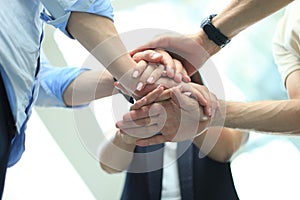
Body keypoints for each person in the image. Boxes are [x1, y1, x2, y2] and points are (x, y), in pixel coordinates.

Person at [99, 72, 248, 200]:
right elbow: (109, 165)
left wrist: (189, 114)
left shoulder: (217, 108)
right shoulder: (135, 118)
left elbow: (226, 149)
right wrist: (129, 134)